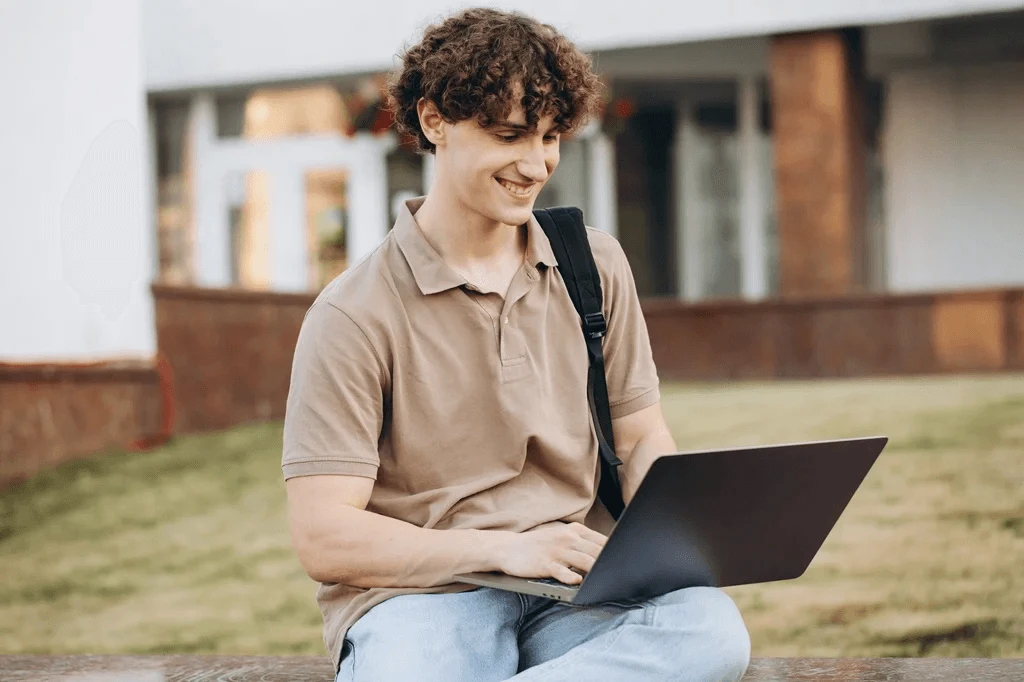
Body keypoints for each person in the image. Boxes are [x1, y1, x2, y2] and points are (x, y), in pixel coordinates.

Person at [282, 8, 750, 681]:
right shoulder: (353, 314)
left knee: (709, 634)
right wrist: (504, 550)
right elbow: (325, 537)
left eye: (551, 137)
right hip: (424, 599)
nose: (536, 165)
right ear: (434, 120)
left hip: (576, 588)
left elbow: (642, 434)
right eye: (509, 136)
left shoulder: (594, 266)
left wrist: (668, 537)